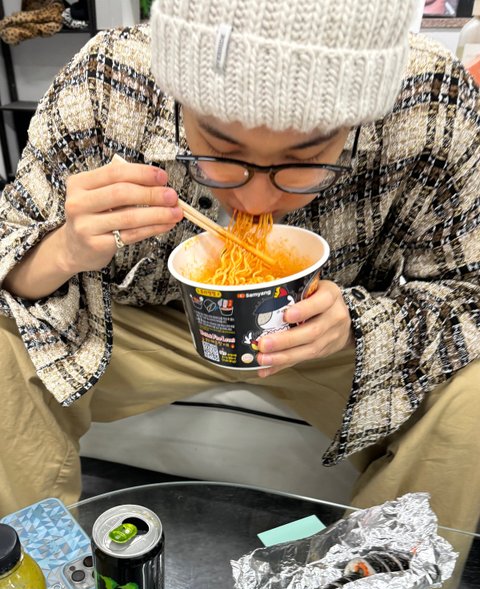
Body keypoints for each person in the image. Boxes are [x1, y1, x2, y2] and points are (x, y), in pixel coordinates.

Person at [0, 0, 479, 534]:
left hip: (324, 345)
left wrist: (354, 325)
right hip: (146, 333)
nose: (255, 201)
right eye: (221, 150)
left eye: (302, 161)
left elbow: (469, 294)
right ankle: (35, 575)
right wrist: (65, 248)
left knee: (471, 392)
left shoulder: (430, 101)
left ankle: (373, 581)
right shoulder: (110, 81)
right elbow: (7, 250)